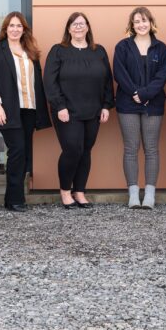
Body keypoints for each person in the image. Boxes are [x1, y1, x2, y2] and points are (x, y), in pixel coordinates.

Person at [44, 12, 114, 209]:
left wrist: (106, 105)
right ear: (68, 28)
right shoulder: (58, 51)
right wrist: (59, 106)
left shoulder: (98, 51)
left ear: (88, 27)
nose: (78, 27)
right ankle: (65, 191)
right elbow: (50, 81)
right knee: (72, 149)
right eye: (74, 24)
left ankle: (80, 192)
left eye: (82, 24)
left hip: (93, 110)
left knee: (85, 151)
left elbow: (108, 80)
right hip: (67, 111)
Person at [0, 11, 52, 212]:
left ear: (24, 30)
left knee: (23, 154)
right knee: (17, 151)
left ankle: (12, 198)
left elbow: (37, 81)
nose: (15, 29)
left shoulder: (30, 50)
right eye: (11, 26)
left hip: (29, 108)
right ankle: (16, 199)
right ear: (5, 29)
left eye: (19, 26)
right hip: (8, 109)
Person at [113, 7, 166, 209]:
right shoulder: (123, 47)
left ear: (151, 23)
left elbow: (162, 76)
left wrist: (146, 94)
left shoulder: (161, 48)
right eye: (137, 21)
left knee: (152, 150)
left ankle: (149, 195)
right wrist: (136, 93)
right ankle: (133, 194)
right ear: (132, 25)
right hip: (127, 104)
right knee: (130, 149)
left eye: (144, 21)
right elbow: (119, 73)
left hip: (153, 104)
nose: (141, 25)